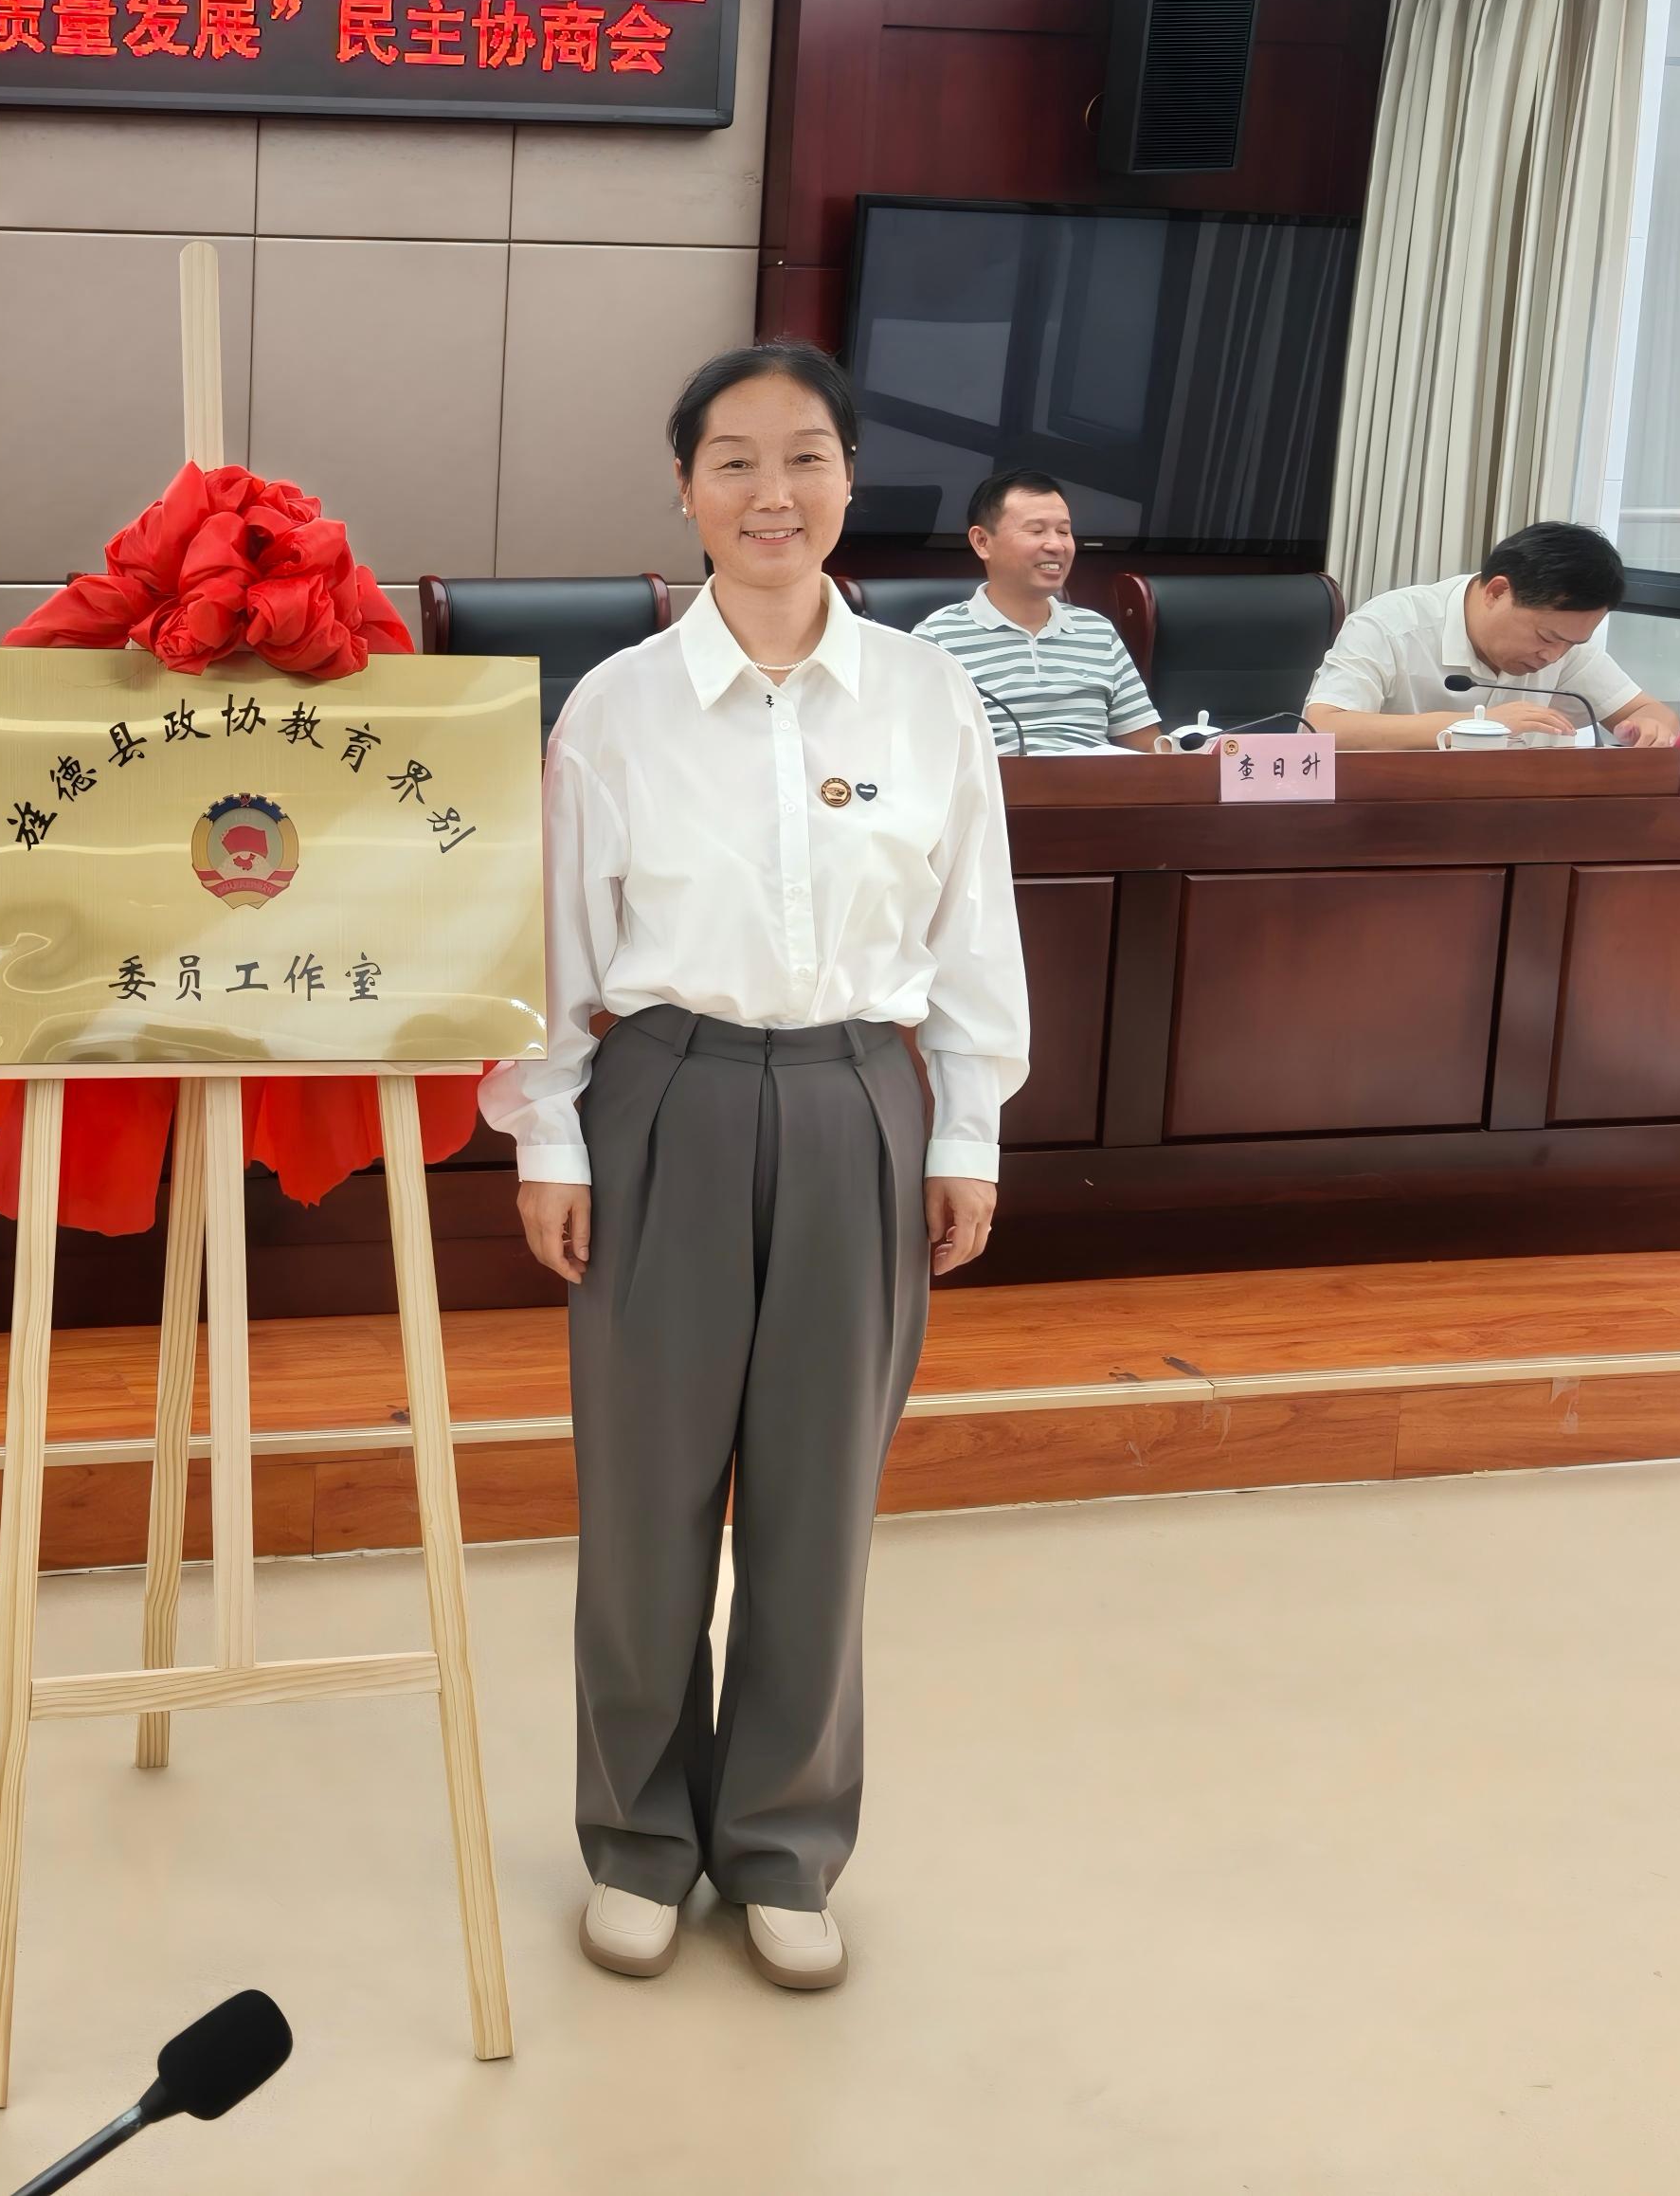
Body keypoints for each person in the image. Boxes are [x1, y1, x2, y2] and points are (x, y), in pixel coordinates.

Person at [485, 340, 1028, 1996]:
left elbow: (973, 931)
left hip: (861, 1098)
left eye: (803, 457)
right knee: (644, 1506)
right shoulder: (616, 706)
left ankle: (785, 1845)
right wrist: (548, 1131)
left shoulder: (926, 698)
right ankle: (638, 1838)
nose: (768, 492)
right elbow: (553, 938)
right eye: (731, 460)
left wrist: (964, 1126)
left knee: (816, 1505)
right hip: (665, 1097)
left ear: (848, 481)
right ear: (683, 490)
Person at [1302, 520, 1678, 750]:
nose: (1553, 656)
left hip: (1522, 828)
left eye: (1571, 644)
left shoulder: (1565, 645)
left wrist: (1651, 730)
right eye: (1546, 637)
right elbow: (1324, 727)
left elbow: (1647, 711)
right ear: (1497, 592)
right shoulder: (1392, 624)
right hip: (1398, 821)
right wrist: (1477, 727)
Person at [911, 469, 1174, 753]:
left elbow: (1148, 749)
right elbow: (916, 752)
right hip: (996, 781)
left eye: (1064, 531)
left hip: (1098, 780)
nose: (1056, 545)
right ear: (982, 542)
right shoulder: (936, 639)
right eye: (1036, 531)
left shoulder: (1098, 631)